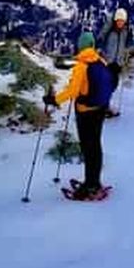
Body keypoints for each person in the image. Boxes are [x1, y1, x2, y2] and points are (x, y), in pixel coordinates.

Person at [43, 31, 112, 201]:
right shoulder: (100, 60)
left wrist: (53, 100)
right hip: (100, 109)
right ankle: (94, 182)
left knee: (88, 148)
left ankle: (90, 187)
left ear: (80, 46)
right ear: (92, 45)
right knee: (95, 146)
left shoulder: (82, 65)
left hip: (86, 112)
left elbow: (72, 91)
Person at [98, 7, 132, 117]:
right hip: (107, 62)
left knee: (113, 85)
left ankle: (103, 106)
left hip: (117, 63)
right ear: (115, 20)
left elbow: (127, 45)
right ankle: (102, 108)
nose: (120, 23)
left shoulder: (125, 32)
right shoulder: (109, 31)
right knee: (106, 85)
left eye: (122, 21)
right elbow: (100, 39)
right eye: (119, 21)